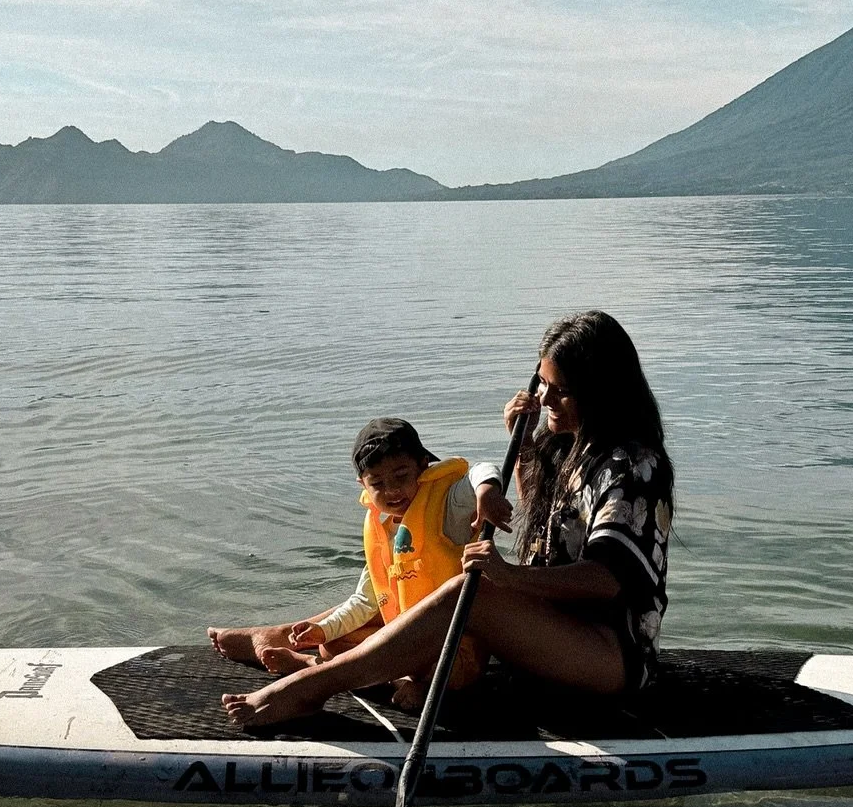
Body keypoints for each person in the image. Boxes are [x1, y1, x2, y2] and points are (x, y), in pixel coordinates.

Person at [222, 311, 673, 729]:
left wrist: (507, 578)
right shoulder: (568, 444)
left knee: (467, 592)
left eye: (562, 390)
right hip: (548, 630)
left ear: (600, 390)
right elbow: (542, 522)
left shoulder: (632, 467)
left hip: (610, 653)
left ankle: (308, 688)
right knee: (405, 586)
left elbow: (605, 580)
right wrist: (521, 440)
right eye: (541, 383)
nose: (545, 398)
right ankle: (291, 641)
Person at [208, 418, 512, 704]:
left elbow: (483, 468)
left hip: (455, 647)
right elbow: (365, 601)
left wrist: (486, 493)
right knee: (333, 644)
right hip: (407, 643)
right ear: (362, 485)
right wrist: (323, 630)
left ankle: (400, 683)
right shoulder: (382, 531)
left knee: (440, 670)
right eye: (377, 483)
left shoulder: (448, 504)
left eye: (401, 475)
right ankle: (317, 663)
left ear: (423, 466)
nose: (391, 489)